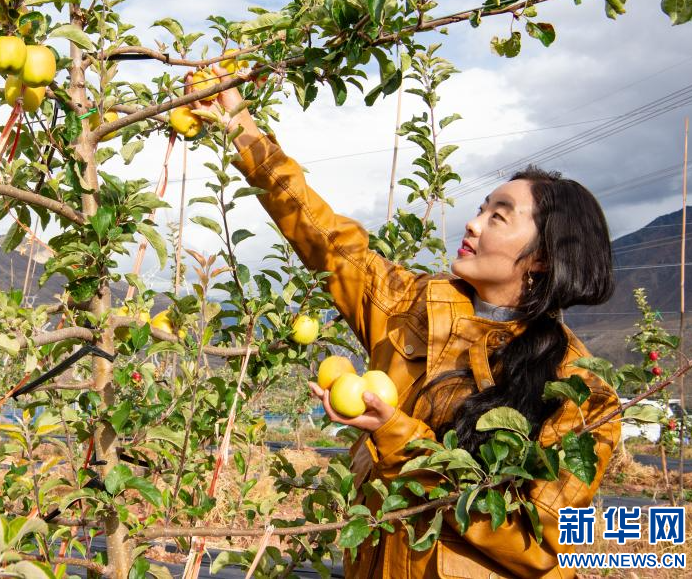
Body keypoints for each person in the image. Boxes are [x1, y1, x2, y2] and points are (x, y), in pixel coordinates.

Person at [209, 65, 622, 578]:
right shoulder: (413, 305)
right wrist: (240, 124)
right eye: (481, 208)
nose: (472, 223)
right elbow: (326, 240)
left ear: (542, 258)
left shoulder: (579, 392)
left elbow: (540, 545)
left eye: (497, 216)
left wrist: (399, 440)